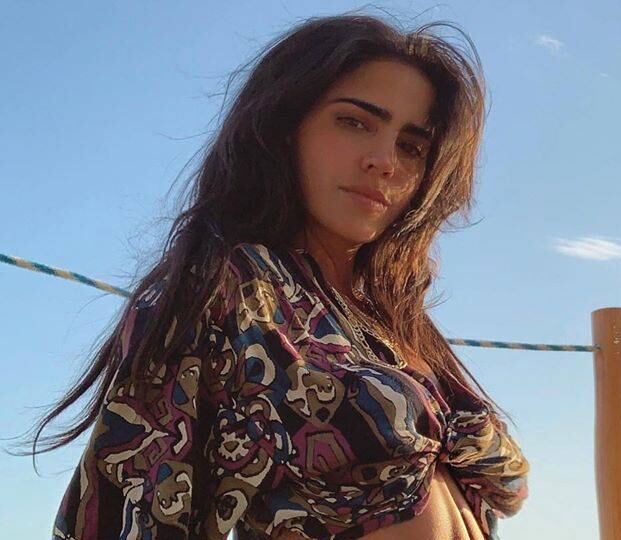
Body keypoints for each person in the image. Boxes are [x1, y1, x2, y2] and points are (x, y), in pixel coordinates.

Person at [27, 12, 529, 540]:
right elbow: (127, 506)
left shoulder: (402, 329)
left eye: (412, 146)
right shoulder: (224, 291)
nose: (385, 160)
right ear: (285, 128)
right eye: (355, 122)